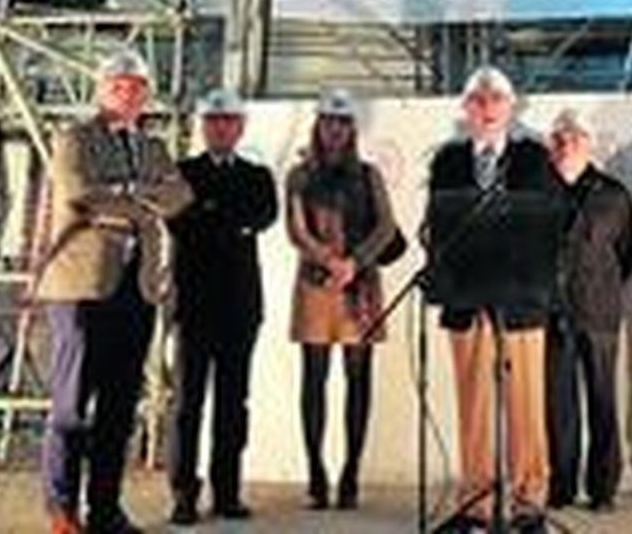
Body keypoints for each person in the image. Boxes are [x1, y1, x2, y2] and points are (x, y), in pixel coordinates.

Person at [34, 49, 193, 534]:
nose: (128, 92)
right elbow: (80, 194)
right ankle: (61, 510)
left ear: (146, 95)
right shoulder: (74, 138)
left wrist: (123, 196)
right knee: (71, 405)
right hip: (82, 287)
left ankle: (105, 510)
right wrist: (144, 201)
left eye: (136, 86)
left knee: (119, 407)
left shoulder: (155, 148)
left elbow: (180, 195)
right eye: (119, 84)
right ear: (102, 88)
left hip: (136, 288)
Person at [427, 66, 558, 534]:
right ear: (465, 109)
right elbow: (437, 228)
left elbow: (545, 227)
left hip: (520, 301)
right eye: (478, 100)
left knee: (526, 402)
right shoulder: (447, 160)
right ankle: (476, 504)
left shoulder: (531, 158)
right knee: (474, 405)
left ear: (510, 107)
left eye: (495, 100)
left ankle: (528, 504)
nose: (486, 108)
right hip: (466, 300)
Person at [165, 88, 278, 524]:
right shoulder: (181, 172)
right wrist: (229, 222)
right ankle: (183, 494)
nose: (221, 127)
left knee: (234, 402)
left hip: (240, 305)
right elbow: (178, 220)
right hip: (193, 304)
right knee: (187, 403)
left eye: (229, 120)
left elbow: (263, 215)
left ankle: (226, 491)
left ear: (241, 127)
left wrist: (209, 213)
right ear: (203, 126)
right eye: (214, 120)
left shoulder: (257, 175)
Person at [285, 89, 400, 510]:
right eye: (328, 122)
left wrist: (355, 262)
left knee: (358, 379)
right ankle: (316, 473)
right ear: (318, 126)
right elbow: (295, 230)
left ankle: (351, 472)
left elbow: (387, 227)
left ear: (352, 130)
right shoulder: (299, 175)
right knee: (313, 378)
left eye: (342, 122)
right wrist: (328, 260)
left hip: (360, 287)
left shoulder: (368, 175)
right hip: (316, 285)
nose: (334, 130)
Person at [542, 109, 632, 513]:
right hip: (550, 313)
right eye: (560, 138)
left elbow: (628, 254)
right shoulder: (535, 192)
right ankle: (561, 486)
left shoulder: (614, 194)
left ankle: (603, 489)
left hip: (599, 313)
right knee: (558, 404)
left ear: (589, 143)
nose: (567, 144)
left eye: (576, 137)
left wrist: (604, 287)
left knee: (602, 400)